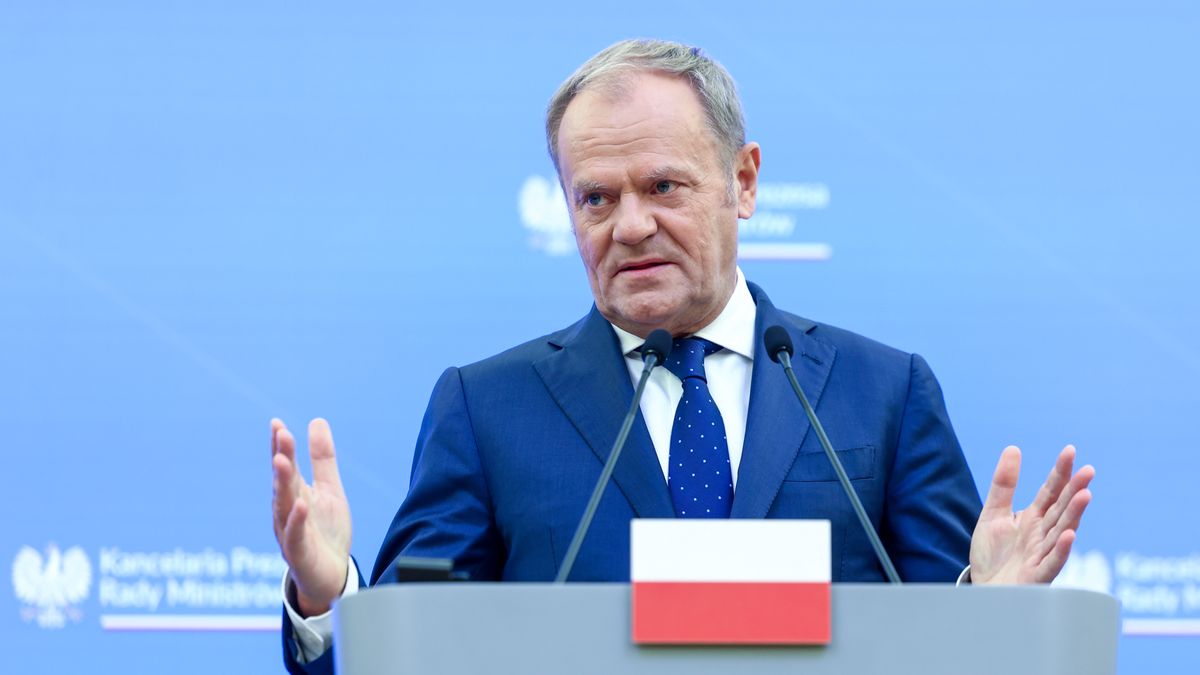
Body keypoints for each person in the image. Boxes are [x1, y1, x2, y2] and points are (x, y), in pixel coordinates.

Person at [270, 39, 1094, 673]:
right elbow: (410, 652)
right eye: (597, 197)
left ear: (744, 182)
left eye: (662, 186)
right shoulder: (487, 409)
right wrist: (326, 594)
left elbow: (950, 649)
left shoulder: (883, 392)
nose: (630, 226)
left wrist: (990, 611)